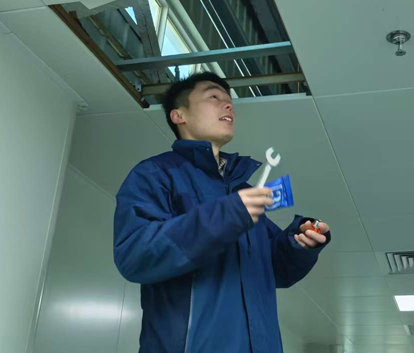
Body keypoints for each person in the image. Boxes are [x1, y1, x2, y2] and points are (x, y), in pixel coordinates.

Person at [113, 72, 331, 353]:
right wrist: (227, 214)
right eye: (214, 97)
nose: (228, 105)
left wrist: (299, 244)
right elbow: (136, 256)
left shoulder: (240, 191)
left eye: (229, 100)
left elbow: (276, 271)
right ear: (179, 115)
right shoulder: (155, 174)